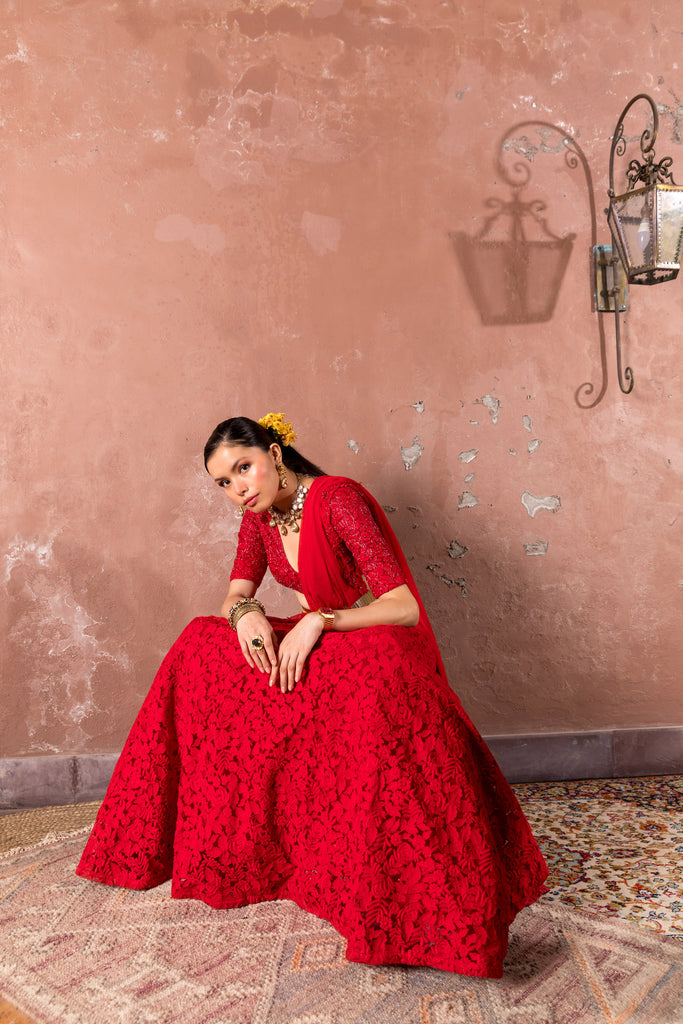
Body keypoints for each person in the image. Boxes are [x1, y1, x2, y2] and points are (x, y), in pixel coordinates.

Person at [77, 413, 548, 978]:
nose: (237, 489)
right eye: (223, 482)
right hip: (316, 642)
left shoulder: (337, 499)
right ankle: (213, 845)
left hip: (369, 639)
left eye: (244, 468)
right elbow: (235, 592)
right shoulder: (259, 517)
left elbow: (402, 608)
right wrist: (246, 614)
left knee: (376, 679)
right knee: (201, 640)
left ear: (275, 454)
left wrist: (321, 620)